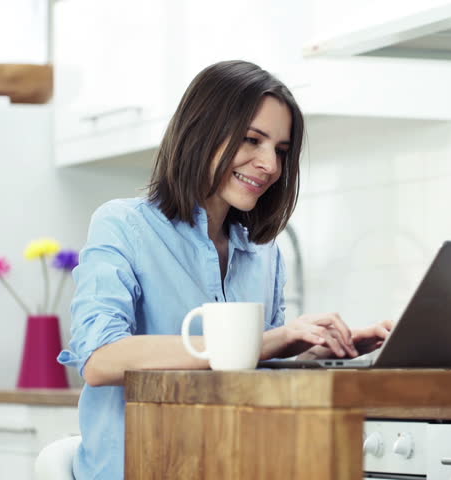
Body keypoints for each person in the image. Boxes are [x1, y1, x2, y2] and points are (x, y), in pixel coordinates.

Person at [57, 60, 394, 480]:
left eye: (282, 151)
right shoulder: (124, 225)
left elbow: (251, 374)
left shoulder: (264, 252)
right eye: (252, 140)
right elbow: (100, 359)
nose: (270, 165)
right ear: (202, 131)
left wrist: (318, 352)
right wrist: (266, 340)